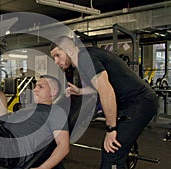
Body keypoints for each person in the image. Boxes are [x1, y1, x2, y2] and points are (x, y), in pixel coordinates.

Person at [49, 36, 158, 169]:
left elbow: (107, 91)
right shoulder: (87, 56)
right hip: (135, 103)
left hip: (140, 102)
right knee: (114, 150)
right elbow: (101, 86)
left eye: (58, 55)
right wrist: (80, 91)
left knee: (112, 152)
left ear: (69, 50)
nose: (56, 61)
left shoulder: (84, 59)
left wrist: (111, 128)